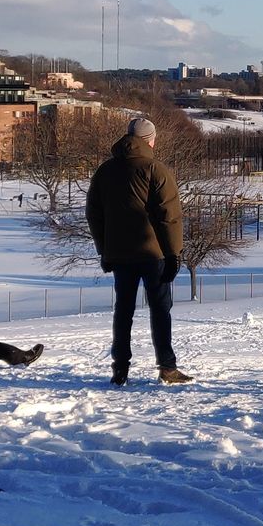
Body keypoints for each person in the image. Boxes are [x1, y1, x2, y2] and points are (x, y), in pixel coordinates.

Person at [86, 116, 189, 385]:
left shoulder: (105, 171)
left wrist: (104, 250)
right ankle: (167, 367)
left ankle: (120, 369)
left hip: (119, 254)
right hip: (153, 253)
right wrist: (174, 253)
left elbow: (94, 214)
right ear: (150, 141)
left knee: (123, 311)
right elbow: (169, 216)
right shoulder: (156, 170)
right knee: (160, 310)